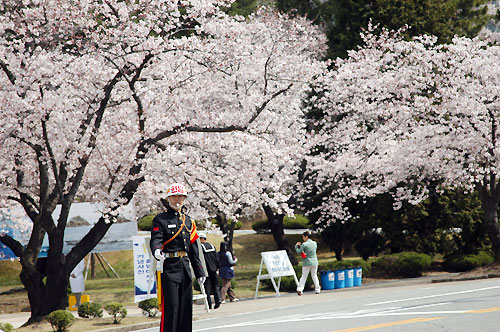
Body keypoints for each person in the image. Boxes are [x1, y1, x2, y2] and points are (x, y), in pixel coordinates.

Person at [150, 183, 206, 332]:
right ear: (168, 198)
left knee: (186, 307)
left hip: (185, 267)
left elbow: (194, 249)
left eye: (180, 196)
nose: (177, 199)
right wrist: (156, 251)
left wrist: (200, 271)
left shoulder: (188, 221)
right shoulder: (160, 219)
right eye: (174, 196)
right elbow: (156, 239)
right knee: (172, 307)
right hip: (169, 269)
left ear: (185, 198)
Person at [199, 232, 221, 309]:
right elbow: (216, 258)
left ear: (201, 239)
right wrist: (217, 267)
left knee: (206, 287)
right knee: (215, 286)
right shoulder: (212, 246)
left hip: (206, 270)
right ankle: (218, 301)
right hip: (214, 269)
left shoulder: (200, 247)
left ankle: (208, 304)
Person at [295, 231, 320, 295]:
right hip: (314, 262)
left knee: (304, 276)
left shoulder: (304, 244)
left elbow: (299, 252)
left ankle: (300, 289)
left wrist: (296, 246)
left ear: (306, 237)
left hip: (306, 262)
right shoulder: (314, 243)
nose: (303, 238)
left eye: (303, 237)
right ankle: (317, 289)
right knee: (314, 276)